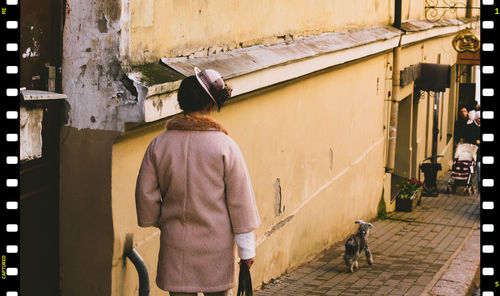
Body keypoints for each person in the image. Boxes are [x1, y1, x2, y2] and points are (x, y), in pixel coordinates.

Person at [135, 67, 261, 296]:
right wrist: (246, 250)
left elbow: (146, 195)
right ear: (210, 105)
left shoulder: (159, 145)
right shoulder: (225, 147)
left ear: (182, 103)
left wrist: (161, 220)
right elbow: (240, 201)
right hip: (217, 248)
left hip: (176, 246)